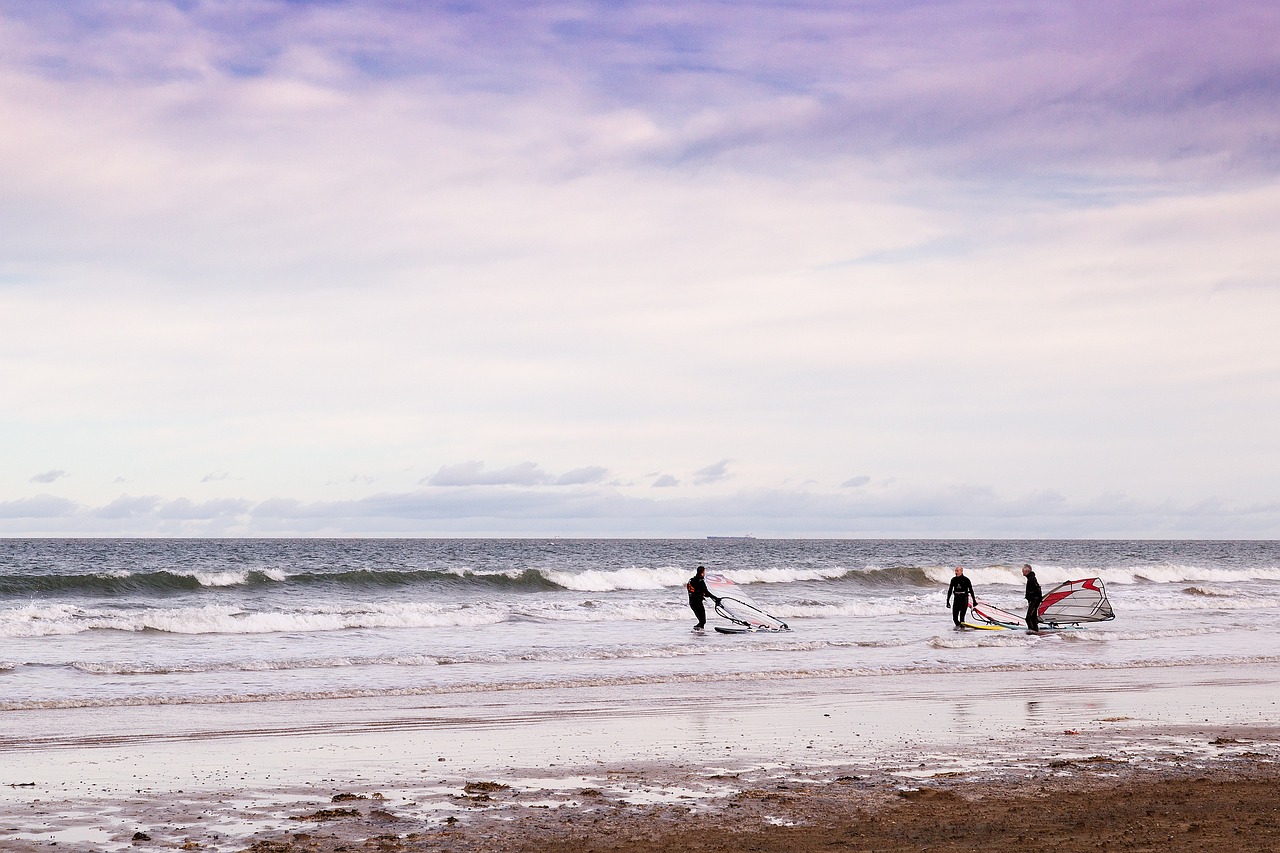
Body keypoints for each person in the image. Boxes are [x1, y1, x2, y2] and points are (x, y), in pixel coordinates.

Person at [686, 565, 721, 630]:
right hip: (698, 603)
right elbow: (706, 592)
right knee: (703, 621)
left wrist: (703, 594)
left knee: (701, 621)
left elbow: (696, 591)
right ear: (702, 572)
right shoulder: (700, 581)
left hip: (692, 603)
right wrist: (716, 598)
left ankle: (699, 635)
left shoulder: (691, 580)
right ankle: (696, 631)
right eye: (704, 572)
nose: (705, 573)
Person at [1022, 563, 1042, 632]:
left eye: (1023, 571)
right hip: (1032, 601)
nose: (1022, 572)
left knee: (1029, 618)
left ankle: (1031, 632)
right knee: (1033, 618)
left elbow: (1038, 590)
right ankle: (1035, 631)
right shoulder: (1030, 578)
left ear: (1027, 571)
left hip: (1034, 601)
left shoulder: (1032, 578)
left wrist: (1032, 597)